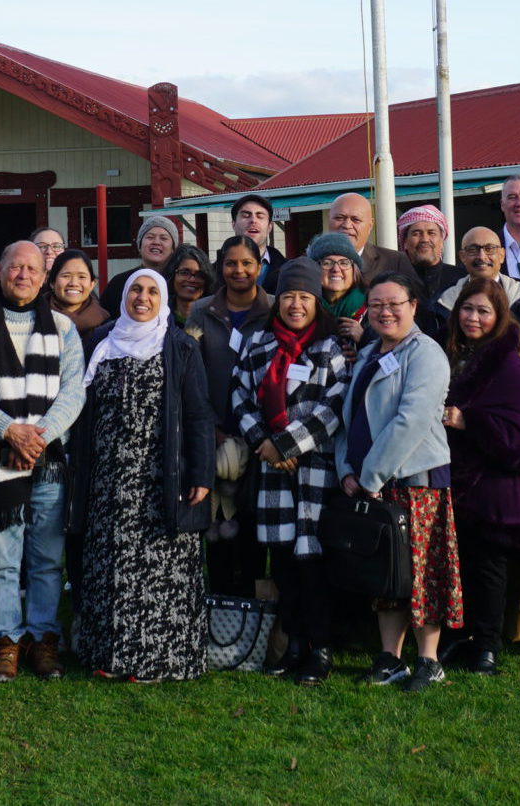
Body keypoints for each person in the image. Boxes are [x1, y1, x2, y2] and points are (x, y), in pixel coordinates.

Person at [68, 269, 214, 681]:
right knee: (110, 565)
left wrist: (201, 473)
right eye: (135, 289)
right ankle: (109, 657)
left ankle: (158, 659)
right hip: (106, 477)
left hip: (160, 478)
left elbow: (199, 415)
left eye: (152, 290)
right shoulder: (101, 342)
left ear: (162, 297)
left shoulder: (179, 347)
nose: (142, 297)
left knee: (158, 569)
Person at [0, 241, 88, 682]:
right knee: (1, 560)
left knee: (46, 559)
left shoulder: (63, 328)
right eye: (15, 266)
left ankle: (43, 638)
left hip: (48, 462)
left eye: (33, 268)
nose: (23, 275)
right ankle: (5, 642)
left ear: (45, 276)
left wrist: (39, 437)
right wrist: (10, 431)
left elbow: (74, 391)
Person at [230, 258, 351, 685]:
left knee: (313, 562)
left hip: (314, 469)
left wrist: (285, 444)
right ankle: (293, 642)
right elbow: (240, 396)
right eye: (288, 297)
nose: (296, 305)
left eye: (304, 297)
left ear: (317, 302)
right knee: (282, 561)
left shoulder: (329, 348)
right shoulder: (258, 343)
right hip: (272, 473)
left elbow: (332, 408)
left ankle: (320, 647)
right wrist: (265, 445)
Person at [337, 271, 459, 693]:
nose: (385, 312)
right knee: (388, 572)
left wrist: (370, 473)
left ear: (413, 306)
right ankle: (390, 659)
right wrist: (346, 470)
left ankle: (428, 660)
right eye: (376, 305)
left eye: (394, 304)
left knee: (423, 572)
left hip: (416, 481)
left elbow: (412, 420)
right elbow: (349, 417)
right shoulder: (370, 351)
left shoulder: (426, 353)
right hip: (374, 483)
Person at [439, 277, 520, 676]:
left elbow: (519, 430)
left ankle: (487, 645)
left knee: (489, 565)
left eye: (484, 311)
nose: (473, 318)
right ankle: (458, 634)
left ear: (499, 316)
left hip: (496, 480)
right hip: (453, 475)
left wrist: (469, 421)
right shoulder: (449, 351)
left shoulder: (510, 363)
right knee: (457, 561)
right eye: (467, 309)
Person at [185, 235, 273, 595]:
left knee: (253, 525)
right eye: (231, 263)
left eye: (247, 263)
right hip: (214, 434)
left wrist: (262, 435)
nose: (239, 270)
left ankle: (252, 616)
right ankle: (220, 609)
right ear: (220, 268)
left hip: (262, 438)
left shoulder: (274, 311)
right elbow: (192, 377)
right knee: (217, 529)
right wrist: (211, 431)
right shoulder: (201, 311)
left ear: (259, 267)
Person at [431, 227, 520, 335]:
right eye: (473, 250)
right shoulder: (445, 300)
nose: (482, 257)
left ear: (502, 255)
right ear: (462, 257)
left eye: (489, 249)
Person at [328, 192, 418, 284]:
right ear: (329, 219)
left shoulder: (395, 262)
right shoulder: (314, 262)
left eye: (356, 220)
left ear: (370, 225)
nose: (347, 225)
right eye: (339, 218)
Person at [100, 216, 178, 312]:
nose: (156, 242)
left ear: (173, 249)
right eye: (150, 237)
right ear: (140, 245)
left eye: (164, 238)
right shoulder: (120, 282)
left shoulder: (178, 283)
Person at [305, 232, 367, 349]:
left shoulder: (373, 307)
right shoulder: (303, 309)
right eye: (327, 263)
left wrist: (363, 341)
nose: (336, 269)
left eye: (344, 263)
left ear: (355, 270)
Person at [399, 204, 462, 294]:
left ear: (441, 240)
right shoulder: (393, 282)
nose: (424, 239)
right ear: (405, 242)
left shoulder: (461, 280)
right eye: (416, 234)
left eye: (431, 233)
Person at [233, 194, 291, 293]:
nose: (253, 221)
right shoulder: (213, 272)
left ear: (270, 226)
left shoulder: (289, 271)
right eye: (246, 215)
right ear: (233, 224)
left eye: (260, 216)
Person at [46, 248, 108, 336]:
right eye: (66, 276)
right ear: (52, 282)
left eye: (82, 277)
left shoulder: (106, 325)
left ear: (92, 284)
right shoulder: (35, 318)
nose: (74, 283)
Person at [166, 245, 215, 322]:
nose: (192, 279)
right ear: (172, 275)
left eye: (199, 275)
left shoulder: (217, 319)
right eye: (184, 273)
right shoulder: (158, 318)